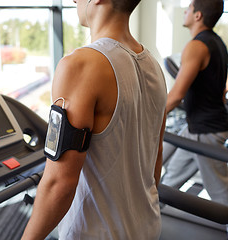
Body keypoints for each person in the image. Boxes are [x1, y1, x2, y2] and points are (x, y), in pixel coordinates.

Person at [21, 0, 167, 239]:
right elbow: (155, 159)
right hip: (147, 227)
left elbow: (60, 183)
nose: (73, 0)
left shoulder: (80, 66)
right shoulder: (154, 66)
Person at [162, 0, 228, 207]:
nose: (185, 11)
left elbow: (176, 95)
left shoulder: (196, 46)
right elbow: (222, 88)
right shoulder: (217, 43)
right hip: (197, 129)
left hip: (206, 132)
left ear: (198, 15)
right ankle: (146, 222)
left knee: (221, 195)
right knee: (171, 178)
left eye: (189, 7)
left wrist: (146, 119)